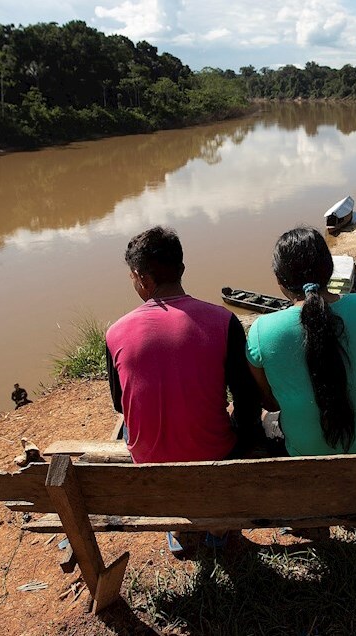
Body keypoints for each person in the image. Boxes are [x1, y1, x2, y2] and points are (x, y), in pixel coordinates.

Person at [105, 226, 261, 554]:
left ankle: (177, 526)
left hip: (150, 463)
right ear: (182, 268)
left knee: (130, 427)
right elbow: (247, 400)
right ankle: (218, 527)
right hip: (215, 454)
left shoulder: (115, 332)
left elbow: (120, 405)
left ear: (142, 279)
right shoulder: (224, 320)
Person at [246, 226, 356, 457]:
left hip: (305, 452)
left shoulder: (263, 331)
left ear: (280, 280)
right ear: (330, 270)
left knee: (267, 420)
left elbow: (271, 404)